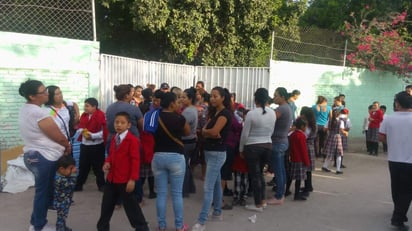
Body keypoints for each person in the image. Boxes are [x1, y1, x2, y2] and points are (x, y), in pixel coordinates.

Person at [18, 79, 71, 231]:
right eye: (43, 92)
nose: (47, 93)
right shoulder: (38, 112)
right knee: (43, 193)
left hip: (34, 155)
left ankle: (37, 223)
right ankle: (38, 226)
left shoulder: (25, 109)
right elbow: (58, 136)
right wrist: (66, 145)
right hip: (43, 157)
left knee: (44, 191)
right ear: (32, 96)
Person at [97, 112, 149, 231]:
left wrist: (132, 179)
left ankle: (142, 228)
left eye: (122, 123)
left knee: (132, 208)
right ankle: (102, 228)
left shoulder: (132, 140)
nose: (119, 125)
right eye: (117, 122)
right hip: (112, 178)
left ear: (129, 125)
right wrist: (107, 162)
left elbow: (136, 161)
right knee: (106, 207)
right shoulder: (115, 137)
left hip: (125, 180)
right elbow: (111, 154)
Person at [192, 87, 232, 231]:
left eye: (216, 96)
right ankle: (217, 213)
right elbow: (210, 132)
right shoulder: (215, 113)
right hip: (211, 152)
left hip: (216, 153)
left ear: (223, 98)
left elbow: (214, 132)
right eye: (212, 96)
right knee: (215, 184)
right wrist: (208, 132)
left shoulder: (225, 114)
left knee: (208, 187)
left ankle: (201, 221)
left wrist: (206, 132)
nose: (212, 98)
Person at [152, 92, 190, 231]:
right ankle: (179, 226)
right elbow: (187, 132)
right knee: (176, 193)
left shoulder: (154, 117)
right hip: (176, 157)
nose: (179, 104)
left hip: (158, 157)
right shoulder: (179, 118)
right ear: (172, 104)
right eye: (177, 102)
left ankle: (162, 225)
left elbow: (148, 130)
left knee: (161, 193)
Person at [379, 91, 412, 230]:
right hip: (410, 160)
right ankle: (397, 219)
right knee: (407, 190)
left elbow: (381, 137)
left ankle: (400, 213)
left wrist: (393, 142)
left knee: (396, 188)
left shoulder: (388, 119)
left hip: (393, 159)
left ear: (397, 104)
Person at [239, 88, 275, 212]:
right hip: (267, 146)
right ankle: (263, 201)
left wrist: (241, 149)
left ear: (256, 99)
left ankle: (258, 204)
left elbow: (245, 134)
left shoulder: (251, 113)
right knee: (260, 175)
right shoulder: (272, 113)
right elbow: (271, 131)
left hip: (253, 147)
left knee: (255, 176)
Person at [75, 98, 107, 192]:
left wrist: (92, 136)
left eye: (87, 106)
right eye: (85, 106)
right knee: (83, 166)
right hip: (85, 145)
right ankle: (79, 185)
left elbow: (104, 132)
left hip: (97, 145)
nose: (85, 108)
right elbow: (80, 127)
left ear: (94, 107)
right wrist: (83, 132)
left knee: (98, 166)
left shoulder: (101, 115)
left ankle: (101, 185)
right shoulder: (84, 116)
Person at [267, 87, 293, 206]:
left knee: (278, 171)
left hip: (278, 142)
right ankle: (281, 193)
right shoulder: (287, 107)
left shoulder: (281, 109)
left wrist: (266, 106)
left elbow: (269, 119)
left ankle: (279, 196)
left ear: (282, 97)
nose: (274, 97)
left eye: (276, 95)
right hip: (282, 141)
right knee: (281, 170)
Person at [286, 117, 310, 201]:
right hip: (300, 160)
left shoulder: (292, 134)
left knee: (290, 176)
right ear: (302, 126)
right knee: (298, 179)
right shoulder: (301, 136)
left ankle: (286, 190)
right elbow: (303, 150)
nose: (306, 128)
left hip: (293, 158)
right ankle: (296, 195)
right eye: (306, 126)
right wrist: (307, 162)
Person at [181, 87, 199, 197]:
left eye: (184, 97)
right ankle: (190, 187)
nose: (181, 99)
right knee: (186, 165)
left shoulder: (188, 112)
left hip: (186, 141)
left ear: (190, 99)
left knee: (183, 166)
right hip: (191, 140)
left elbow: (182, 127)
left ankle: (184, 190)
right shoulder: (192, 109)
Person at [53, 155, 77, 231]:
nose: (74, 170)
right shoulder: (60, 179)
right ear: (62, 169)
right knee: (61, 217)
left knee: (63, 217)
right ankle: (60, 229)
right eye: (71, 168)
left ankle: (63, 227)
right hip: (61, 203)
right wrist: (73, 174)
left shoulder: (61, 175)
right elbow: (72, 184)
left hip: (64, 201)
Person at [321, 109, 347, 174]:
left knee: (329, 153)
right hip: (337, 137)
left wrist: (329, 130)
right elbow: (342, 130)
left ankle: (325, 166)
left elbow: (324, 129)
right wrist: (345, 133)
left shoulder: (329, 121)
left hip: (330, 137)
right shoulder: (341, 122)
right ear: (339, 114)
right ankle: (338, 169)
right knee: (339, 154)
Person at [299, 106, 317, 194]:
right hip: (310, 147)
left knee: (306, 168)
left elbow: (304, 136)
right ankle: (308, 186)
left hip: (306, 148)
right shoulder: (313, 125)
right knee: (308, 169)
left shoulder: (307, 126)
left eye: (302, 114)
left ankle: (307, 188)